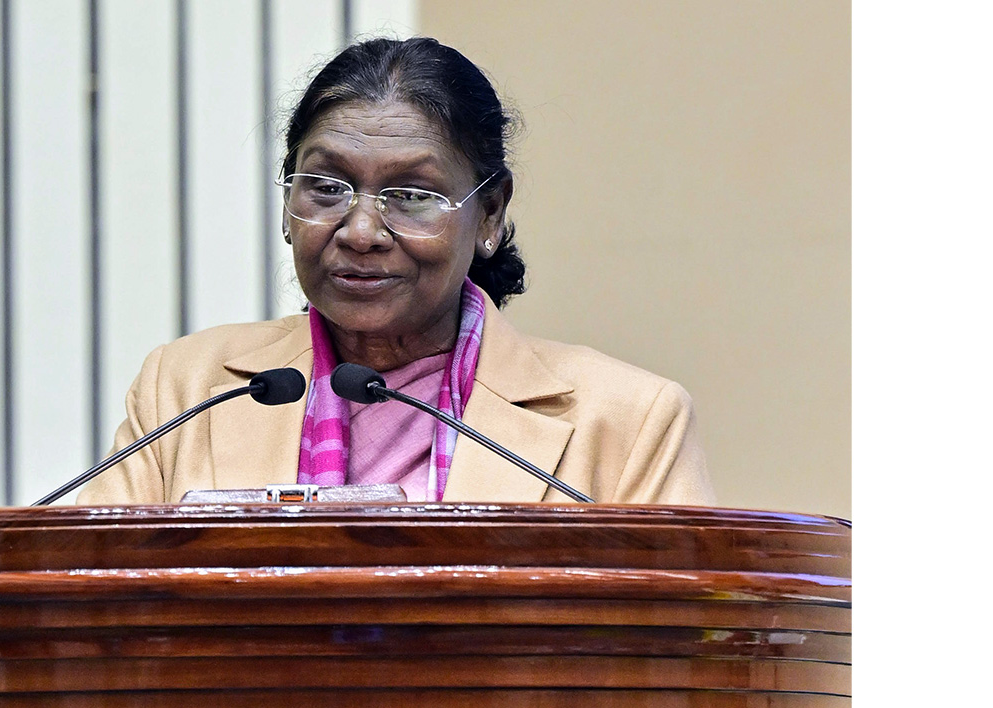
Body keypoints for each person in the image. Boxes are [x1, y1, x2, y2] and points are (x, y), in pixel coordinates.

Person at [77, 37, 715, 506]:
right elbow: (86, 606)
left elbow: (677, 638)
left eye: (412, 195)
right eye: (326, 187)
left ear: (490, 213)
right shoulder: (186, 391)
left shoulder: (629, 422)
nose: (360, 232)